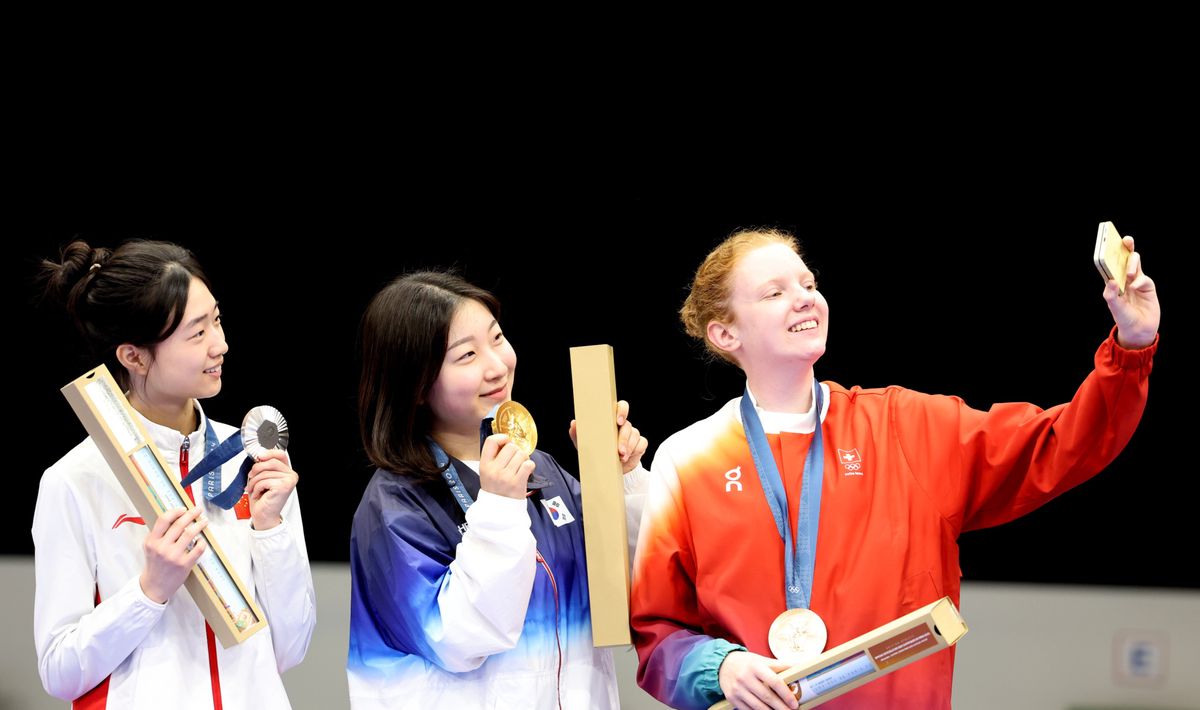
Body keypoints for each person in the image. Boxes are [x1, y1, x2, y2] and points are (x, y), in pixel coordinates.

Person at [630, 228, 1159, 710]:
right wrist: (720, 667)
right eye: (774, 293)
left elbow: (1059, 443)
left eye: (808, 282)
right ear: (725, 335)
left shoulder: (907, 429)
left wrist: (1131, 347)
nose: (805, 297)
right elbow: (657, 635)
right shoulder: (689, 458)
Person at [33, 239, 316, 709]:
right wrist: (150, 591)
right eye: (196, 333)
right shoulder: (73, 480)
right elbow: (60, 671)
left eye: (217, 320)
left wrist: (271, 532)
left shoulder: (252, 458)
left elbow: (290, 650)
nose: (220, 345)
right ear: (134, 357)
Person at [347, 271, 649, 709]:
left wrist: (620, 479)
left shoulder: (540, 468)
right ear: (414, 383)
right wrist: (500, 508)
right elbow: (459, 640)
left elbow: (629, 585)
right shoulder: (395, 504)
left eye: (498, 337)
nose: (497, 364)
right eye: (466, 355)